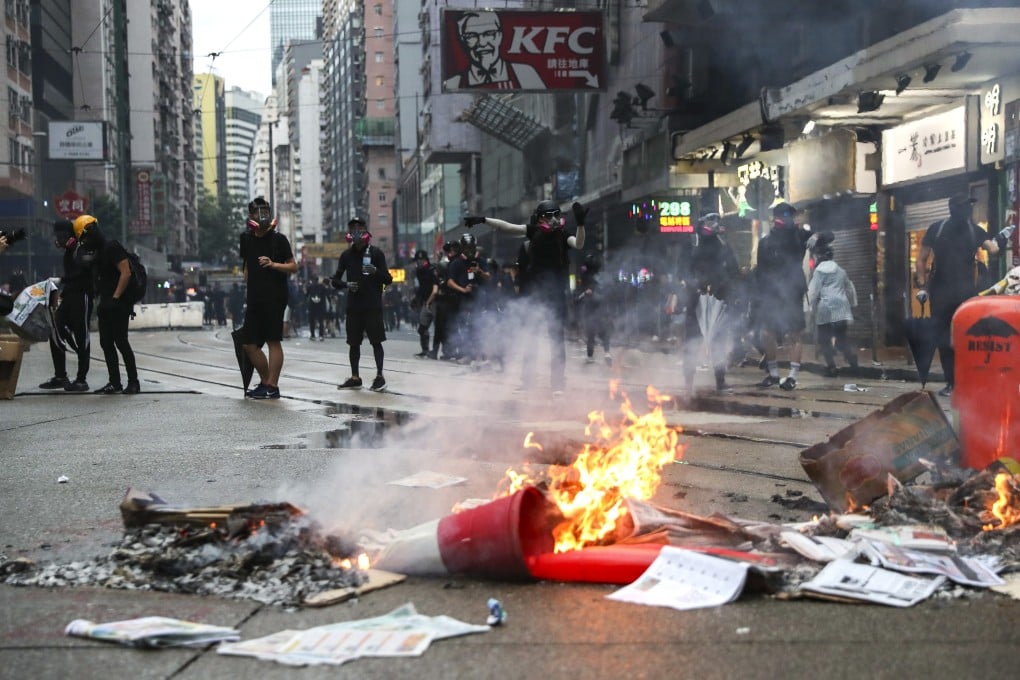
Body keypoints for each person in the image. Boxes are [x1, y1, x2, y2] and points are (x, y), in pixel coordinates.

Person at [465, 200, 587, 393]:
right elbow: (506, 227)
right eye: (549, 215)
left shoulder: (563, 236)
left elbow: (579, 243)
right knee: (530, 339)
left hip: (555, 296)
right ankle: (527, 381)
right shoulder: (532, 232)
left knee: (556, 340)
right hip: (534, 295)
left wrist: (580, 225)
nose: (554, 219)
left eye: (556, 215)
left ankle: (557, 384)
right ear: (539, 218)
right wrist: (482, 219)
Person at [916, 193, 1009, 397]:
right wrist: (922, 286)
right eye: (965, 207)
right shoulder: (939, 229)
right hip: (944, 294)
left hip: (964, 295)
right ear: (955, 209)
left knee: (962, 339)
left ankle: (960, 382)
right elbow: (921, 259)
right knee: (947, 340)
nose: (967, 211)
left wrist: (1002, 237)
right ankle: (953, 383)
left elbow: (992, 249)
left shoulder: (972, 230)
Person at [73, 214, 141, 395]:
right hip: (105, 303)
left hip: (118, 303)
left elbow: (125, 272)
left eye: (85, 238)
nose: (85, 242)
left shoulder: (112, 246)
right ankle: (115, 382)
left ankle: (133, 382)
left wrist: (116, 297)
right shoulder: (97, 252)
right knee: (106, 343)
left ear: (92, 232)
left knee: (121, 342)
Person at [238, 196, 298, 399]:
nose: (263, 215)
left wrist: (273, 264)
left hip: (275, 296)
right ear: (251, 215)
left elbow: (293, 266)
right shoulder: (245, 239)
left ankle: (272, 385)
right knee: (248, 344)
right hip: (254, 297)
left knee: (273, 340)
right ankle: (266, 381)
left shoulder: (278, 239)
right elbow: (246, 263)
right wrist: (246, 276)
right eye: (258, 211)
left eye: (266, 211)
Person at [753, 202, 813, 390]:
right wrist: (759, 295)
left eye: (790, 216)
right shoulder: (765, 242)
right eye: (784, 216)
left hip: (793, 292)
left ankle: (792, 377)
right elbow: (761, 272)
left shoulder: (800, 236)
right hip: (771, 295)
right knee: (767, 334)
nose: (787, 219)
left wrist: (817, 236)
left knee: (794, 334)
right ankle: (773, 374)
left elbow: (829, 236)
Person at [332, 217, 393, 391]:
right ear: (349, 233)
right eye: (353, 228)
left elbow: (388, 279)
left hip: (373, 305)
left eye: (359, 228)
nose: (356, 231)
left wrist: (376, 271)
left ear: (365, 231)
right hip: (354, 306)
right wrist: (346, 285)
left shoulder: (376, 253)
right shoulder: (346, 255)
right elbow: (335, 280)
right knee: (353, 343)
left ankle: (380, 376)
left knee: (376, 342)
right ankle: (355, 377)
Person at [683, 212, 741, 394]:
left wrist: (728, 288)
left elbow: (733, 270)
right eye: (711, 219)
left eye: (717, 220)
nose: (715, 223)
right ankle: (688, 384)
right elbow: (682, 270)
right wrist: (694, 285)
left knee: (718, 342)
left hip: (718, 298)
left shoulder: (722, 243)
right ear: (702, 222)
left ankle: (720, 382)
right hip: (696, 299)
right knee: (693, 341)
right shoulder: (693, 242)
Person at [38, 219, 93, 392]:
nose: (57, 240)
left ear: (67, 235)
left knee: (82, 336)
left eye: (59, 236)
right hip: (69, 296)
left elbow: (83, 274)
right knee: (55, 329)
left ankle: (81, 379)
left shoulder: (80, 249)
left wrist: (61, 280)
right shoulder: (68, 252)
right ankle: (60, 375)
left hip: (82, 297)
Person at [443, 10, 547, 91]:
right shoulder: (454, 84)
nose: (482, 43)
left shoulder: (524, 73)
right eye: (471, 36)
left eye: (489, 34)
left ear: (499, 36)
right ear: (463, 40)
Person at [807, 233, 858, 378]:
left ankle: (831, 367)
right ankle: (853, 361)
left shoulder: (818, 271)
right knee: (841, 339)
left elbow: (813, 291)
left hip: (826, 310)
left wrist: (807, 308)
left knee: (824, 340)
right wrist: (853, 304)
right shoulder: (841, 271)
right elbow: (849, 288)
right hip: (842, 309)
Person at [576, 251, 612, 366]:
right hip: (599, 308)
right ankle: (606, 353)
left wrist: (584, 294)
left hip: (592, 308)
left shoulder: (587, 277)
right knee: (603, 332)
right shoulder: (599, 276)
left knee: (591, 333)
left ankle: (591, 357)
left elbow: (589, 291)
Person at [412, 249, 439, 358]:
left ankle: (435, 352)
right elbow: (421, 288)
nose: (419, 262)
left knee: (439, 329)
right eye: (418, 260)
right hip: (425, 302)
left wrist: (428, 301)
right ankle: (425, 350)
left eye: (421, 260)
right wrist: (416, 299)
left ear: (425, 260)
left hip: (435, 302)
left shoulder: (432, 270)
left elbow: (435, 288)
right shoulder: (419, 271)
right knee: (422, 328)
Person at [306, 276, 328, 341]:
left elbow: (307, 295)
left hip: (312, 306)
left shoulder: (310, 286)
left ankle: (312, 335)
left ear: (313, 280)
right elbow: (325, 295)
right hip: (320, 306)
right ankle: (321, 335)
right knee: (321, 321)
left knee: (312, 321)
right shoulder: (322, 287)